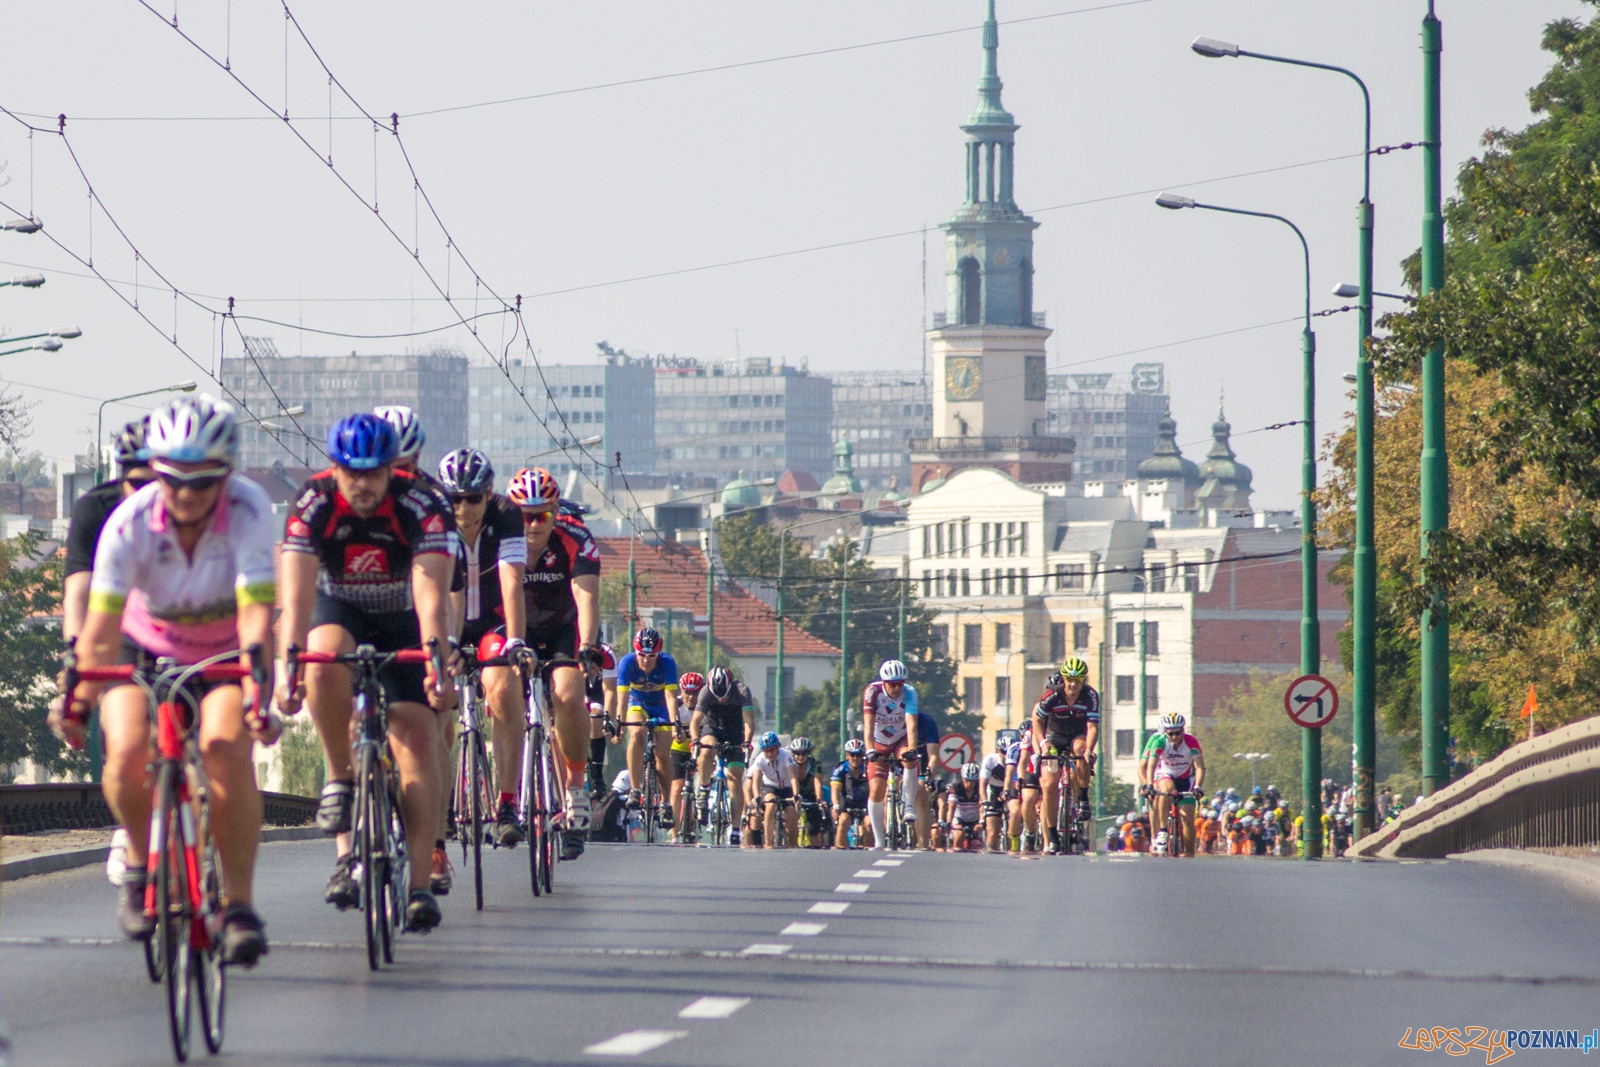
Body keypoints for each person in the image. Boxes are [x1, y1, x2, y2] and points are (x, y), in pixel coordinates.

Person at [52, 395, 277, 963]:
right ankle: (137, 857)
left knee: (225, 747)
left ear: (225, 475)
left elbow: (256, 615)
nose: (185, 493)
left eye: (202, 482)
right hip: (142, 647)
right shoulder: (129, 522)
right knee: (126, 753)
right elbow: (99, 629)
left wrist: (260, 687)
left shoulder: (249, 511)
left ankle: (240, 906)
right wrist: (76, 698)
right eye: (171, 478)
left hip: (223, 652)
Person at [275, 413, 455, 933]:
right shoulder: (312, 503)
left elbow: (430, 600)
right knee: (324, 656)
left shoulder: (422, 504)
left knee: (417, 739)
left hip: (402, 617)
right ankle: (341, 777)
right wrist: (289, 664)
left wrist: (435, 665)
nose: (362, 484)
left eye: (373, 473)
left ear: (390, 469)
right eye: (351, 473)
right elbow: (298, 598)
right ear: (335, 469)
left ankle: (420, 885)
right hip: (340, 610)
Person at [509, 466, 603, 859]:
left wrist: (586, 645)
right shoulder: (502, 538)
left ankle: (576, 787)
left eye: (542, 515)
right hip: (517, 628)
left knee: (568, 692)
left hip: (563, 629)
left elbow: (586, 599)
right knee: (504, 696)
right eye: (524, 516)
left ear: (555, 511)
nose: (532, 525)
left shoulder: (576, 538)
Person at [438, 448, 530, 848]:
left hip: (493, 622)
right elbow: (444, 584)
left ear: (488, 493)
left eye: (472, 498)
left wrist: (515, 640)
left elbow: (512, 580)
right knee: (438, 699)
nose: (463, 507)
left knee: (504, 689)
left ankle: (507, 803)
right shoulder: (436, 517)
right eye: (454, 498)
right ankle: (439, 803)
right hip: (448, 619)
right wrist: (449, 645)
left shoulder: (507, 514)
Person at [62, 417, 156, 644]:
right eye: (138, 485)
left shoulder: (195, 509)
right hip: (117, 632)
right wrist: (76, 656)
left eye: (160, 483)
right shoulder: (94, 510)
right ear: (121, 480)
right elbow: (79, 596)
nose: (150, 495)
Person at [1032, 657, 1100, 854]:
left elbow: (1092, 727)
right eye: (1070, 679)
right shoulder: (1052, 696)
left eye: (1078, 680)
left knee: (1081, 750)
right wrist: (1043, 744)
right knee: (1049, 784)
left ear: (1084, 680)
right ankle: (1052, 836)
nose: (1073, 684)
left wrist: (1090, 749)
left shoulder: (1090, 696)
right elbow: (1037, 721)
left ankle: (1084, 799)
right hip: (1055, 738)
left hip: (1077, 736)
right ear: (1063, 678)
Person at [615, 626, 679, 828]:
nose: (646, 660)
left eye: (651, 656)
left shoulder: (667, 663)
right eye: (641, 655)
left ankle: (666, 804)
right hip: (638, 703)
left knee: (662, 755)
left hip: (661, 707)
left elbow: (670, 697)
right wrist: (619, 724)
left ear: (658, 654)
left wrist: (675, 723)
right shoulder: (627, 663)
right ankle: (635, 789)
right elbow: (622, 698)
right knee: (636, 734)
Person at [690, 665, 753, 845]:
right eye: (717, 696)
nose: (721, 699)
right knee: (705, 749)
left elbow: (749, 720)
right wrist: (695, 739)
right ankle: (703, 789)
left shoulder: (742, 691)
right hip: (713, 729)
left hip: (735, 732)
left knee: (735, 777)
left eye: (724, 696)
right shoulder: (705, 692)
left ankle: (735, 829)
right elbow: (696, 721)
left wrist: (747, 742)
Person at [860, 659, 918, 851]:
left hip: (900, 739)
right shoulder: (872, 692)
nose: (896, 688)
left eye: (900, 683)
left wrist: (912, 749)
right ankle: (879, 841)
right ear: (884, 683)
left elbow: (911, 724)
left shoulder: (909, 693)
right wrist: (870, 751)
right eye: (893, 684)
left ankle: (908, 806)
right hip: (878, 742)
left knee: (910, 760)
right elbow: (868, 726)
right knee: (877, 789)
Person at [1140, 712, 1206, 857]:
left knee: (1187, 817)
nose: (1174, 737)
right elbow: (1150, 765)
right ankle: (1162, 831)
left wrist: (1198, 787)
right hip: (1166, 774)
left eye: (1177, 733)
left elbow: (1200, 767)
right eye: (1170, 734)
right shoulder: (1159, 741)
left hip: (1186, 778)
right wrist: (1149, 785)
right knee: (1167, 788)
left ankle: (1189, 853)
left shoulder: (1191, 742)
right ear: (1166, 732)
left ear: (1183, 731)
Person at [667, 670, 705, 838]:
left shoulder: (706, 706)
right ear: (681, 691)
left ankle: (700, 809)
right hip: (679, 749)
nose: (691, 696)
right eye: (687, 692)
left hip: (700, 750)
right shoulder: (675, 705)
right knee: (676, 789)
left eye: (695, 692)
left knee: (701, 784)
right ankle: (674, 833)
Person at [747, 732, 798, 849]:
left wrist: (796, 794)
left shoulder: (786, 756)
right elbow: (756, 780)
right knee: (770, 803)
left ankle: (793, 844)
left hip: (786, 787)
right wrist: (756, 796)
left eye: (772, 750)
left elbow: (793, 777)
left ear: (777, 747)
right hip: (770, 787)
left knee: (791, 812)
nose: (769, 753)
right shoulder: (760, 759)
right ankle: (768, 842)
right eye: (766, 751)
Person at [583, 642, 620, 795]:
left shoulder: (608, 655)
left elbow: (610, 691)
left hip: (598, 690)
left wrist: (608, 719)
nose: (590, 672)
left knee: (595, 719)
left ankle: (597, 775)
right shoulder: (572, 646)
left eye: (593, 668)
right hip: (575, 684)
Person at [831, 739, 871, 849]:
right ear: (847, 755)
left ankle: (869, 849)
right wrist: (835, 805)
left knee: (869, 824)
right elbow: (835, 789)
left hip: (865, 802)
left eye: (858, 755)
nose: (855, 758)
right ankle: (840, 848)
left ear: (862, 755)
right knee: (843, 821)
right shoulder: (840, 769)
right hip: (847, 802)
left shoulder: (868, 768)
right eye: (852, 754)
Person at [789, 737, 827, 847]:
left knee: (813, 827)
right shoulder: (789, 762)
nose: (800, 757)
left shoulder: (815, 763)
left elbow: (818, 782)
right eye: (797, 753)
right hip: (793, 795)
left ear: (809, 753)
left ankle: (817, 849)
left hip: (810, 795)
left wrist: (819, 799)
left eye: (804, 753)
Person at [980, 731, 1011, 852]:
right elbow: (982, 785)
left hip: (1010, 790)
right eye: (1003, 752)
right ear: (998, 751)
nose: (1006, 756)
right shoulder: (990, 760)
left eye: (1008, 753)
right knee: (992, 833)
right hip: (993, 790)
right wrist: (984, 801)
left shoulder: (1016, 759)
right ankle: (991, 848)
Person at [945, 763, 984, 851]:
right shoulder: (956, 787)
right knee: (958, 835)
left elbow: (982, 807)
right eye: (967, 780)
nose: (969, 784)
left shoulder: (979, 788)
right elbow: (951, 808)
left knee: (976, 844)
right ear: (962, 778)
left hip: (975, 820)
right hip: (959, 819)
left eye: (973, 781)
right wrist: (948, 823)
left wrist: (981, 823)